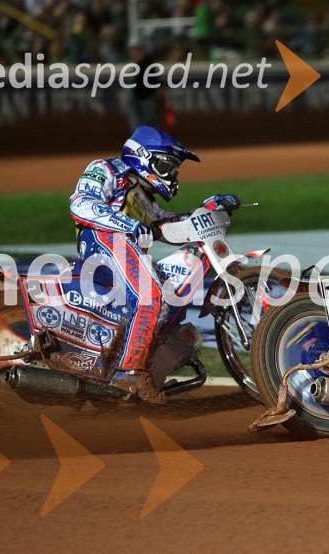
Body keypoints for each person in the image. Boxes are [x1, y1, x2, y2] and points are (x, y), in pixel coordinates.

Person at [70, 125, 239, 403]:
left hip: (126, 251)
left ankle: (134, 364)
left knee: (166, 306)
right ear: (143, 157)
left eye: (174, 169)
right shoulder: (107, 169)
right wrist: (127, 224)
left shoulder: (144, 200)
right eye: (166, 166)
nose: (172, 174)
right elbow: (81, 204)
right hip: (102, 244)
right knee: (150, 294)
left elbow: (170, 227)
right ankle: (130, 372)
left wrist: (208, 210)